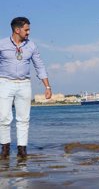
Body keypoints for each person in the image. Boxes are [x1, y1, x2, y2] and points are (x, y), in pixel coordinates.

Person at [0, 17, 52, 160]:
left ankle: (22, 150)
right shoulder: (2, 44)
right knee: (4, 118)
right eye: (26, 29)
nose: (28, 32)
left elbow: (39, 66)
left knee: (23, 119)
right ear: (17, 30)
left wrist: (47, 86)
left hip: (24, 84)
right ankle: (5, 148)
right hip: (5, 83)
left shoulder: (31, 46)